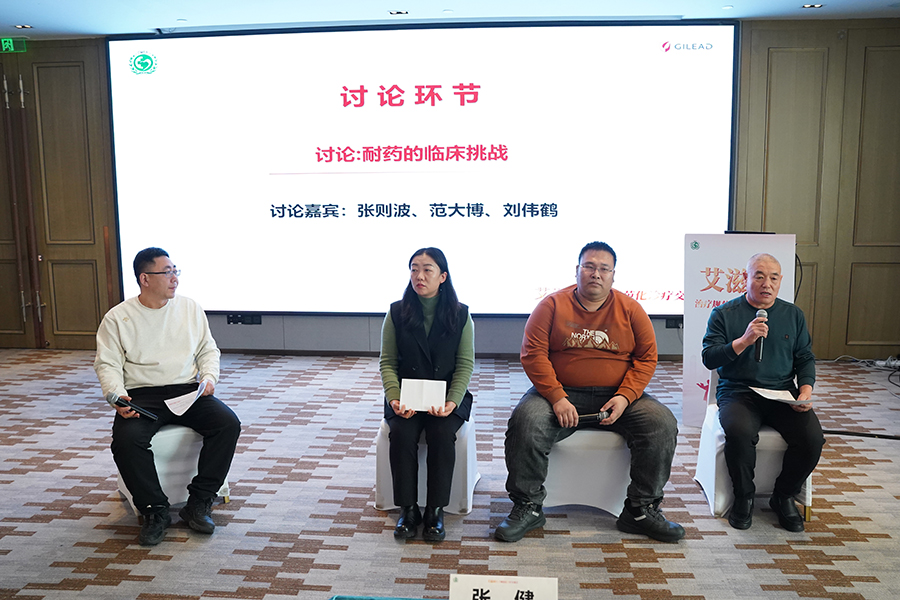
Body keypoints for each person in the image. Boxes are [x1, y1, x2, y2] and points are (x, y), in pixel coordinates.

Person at [495, 241, 684, 543]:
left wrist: (625, 396)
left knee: (661, 423)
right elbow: (533, 354)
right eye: (589, 266)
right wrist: (557, 397)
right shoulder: (551, 306)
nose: (596, 274)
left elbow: (647, 358)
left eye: (604, 269)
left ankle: (641, 510)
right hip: (561, 392)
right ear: (577, 270)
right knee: (526, 422)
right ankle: (527, 506)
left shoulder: (631, 309)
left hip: (617, 394)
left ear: (613, 275)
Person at [94, 247, 241, 546]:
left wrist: (209, 378)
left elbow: (207, 349)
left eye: (176, 271)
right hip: (141, 394)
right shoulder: (118, 318)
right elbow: (107, 364)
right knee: (126, 441)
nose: (175, 279)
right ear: (145, 279)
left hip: (186, 389)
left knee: (228, 424)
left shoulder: (189, 308)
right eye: (167, 272)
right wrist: (117, 396)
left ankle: (199, 502)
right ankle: (155, 511)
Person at [701, 252, 823, 531]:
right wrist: (744, 340)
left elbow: (805, 357)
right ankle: (744, 496)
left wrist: (805, 391)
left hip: (781, 392)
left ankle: (784, 496)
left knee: (812, 438)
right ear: (745, 279)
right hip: (738, 391)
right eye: (759, 276)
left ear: (780, 281)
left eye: (773, 278)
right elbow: (709, 358)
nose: (767, 283)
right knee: (740, 432)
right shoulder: (724, 314)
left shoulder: (793, 315)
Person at [379, 247, 475, 542]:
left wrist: (452, 401)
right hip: (406, 397)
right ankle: (408, 510)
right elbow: (387, 362)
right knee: (401, 433)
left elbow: (464, 364)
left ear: (442, 276)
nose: (419, 276)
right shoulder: (397, 312)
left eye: (427, 269)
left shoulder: (461, 315)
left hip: (446, 397)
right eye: (414, 269)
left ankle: (435, 510)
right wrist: (394, 398)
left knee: (441, 434)